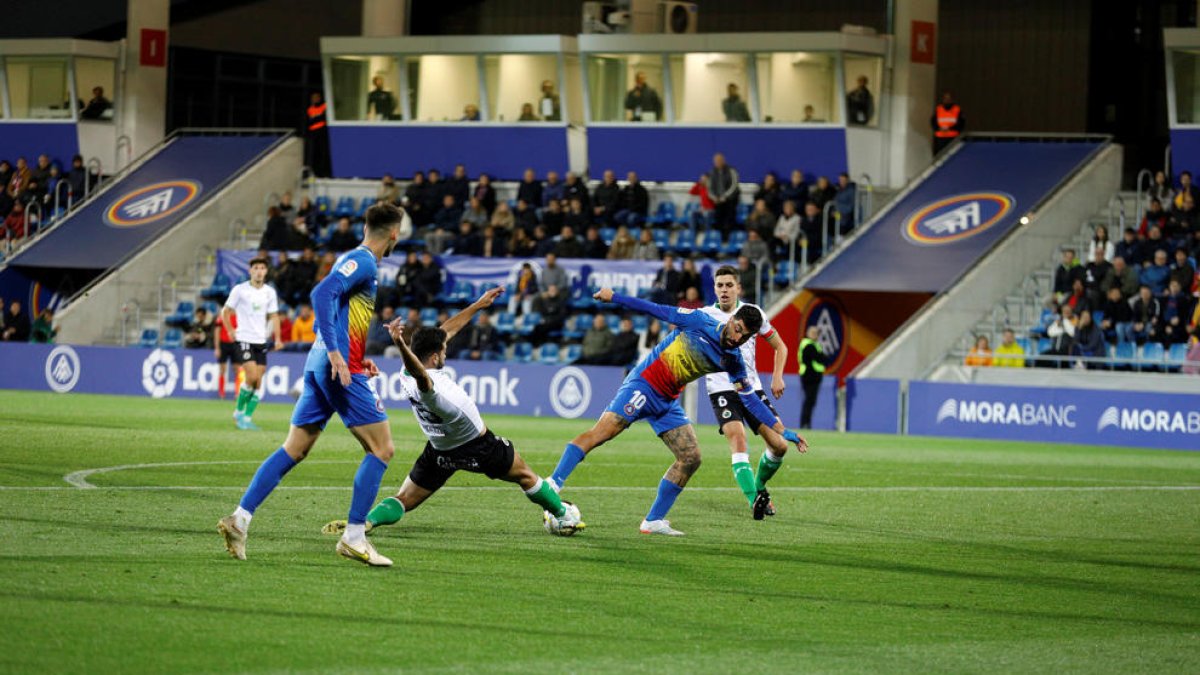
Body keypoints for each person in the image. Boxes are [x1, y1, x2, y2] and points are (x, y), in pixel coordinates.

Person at [217, 203, 407, 567]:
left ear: (365, 227)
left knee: (295, 448)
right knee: (382, 449)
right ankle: (354, 536)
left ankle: (240, 519)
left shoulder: (349, 259)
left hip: (321, 363)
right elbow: (321, 294)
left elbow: (330, 315)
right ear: (394, 234)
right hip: (335, 366)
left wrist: (349, 354)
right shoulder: (365, 262)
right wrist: (338, 355)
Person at [322, 287, 583, 541]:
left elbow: (444, 333)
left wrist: (478, 305)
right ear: (435, 358)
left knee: (404, 499)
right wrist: (399, 343)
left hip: (439, 450)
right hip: (479, 446)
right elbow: (423, 377)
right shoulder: (432, 388)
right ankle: (563, 515)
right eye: (443, 351)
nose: (446, 351)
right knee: (525, 475)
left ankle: (366, 521)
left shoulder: (404, 372)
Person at [548, 288, 808, 534]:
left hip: (667, 401)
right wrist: (614, 297)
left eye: (745, 337)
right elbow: (656, 309)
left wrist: (782, 430)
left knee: (691, 457)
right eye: (738, 329)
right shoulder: (698, 321)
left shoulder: (734, 360)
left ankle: (653, 521)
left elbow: (750, 401)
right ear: (731, 320)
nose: (737, 338)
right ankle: (553, 484)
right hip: (644, 384)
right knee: (602, 433)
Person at [700, 266, 789, 516]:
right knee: (738, 439)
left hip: (751, 389)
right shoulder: (704, 315)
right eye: (720, 285)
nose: (724, 290)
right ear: (714, 288)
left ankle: (758, 486)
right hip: (721, 389)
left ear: (738, 288)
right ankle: (754, 500)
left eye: (729, 285)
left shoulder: (753, 314)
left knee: (780, 446)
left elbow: (780, 347)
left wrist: (777, 376)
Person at [221, 258, 283, 431]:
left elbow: (274, 316)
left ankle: (247, 418)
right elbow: (225, 311)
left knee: (258, 382)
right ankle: (238, 412)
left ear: (266, 271)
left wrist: (278, 338)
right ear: (250, 271)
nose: (259, 271)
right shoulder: (240, 290)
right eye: (256, 268)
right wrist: (230, 330)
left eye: (262, 268)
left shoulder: (269, 292)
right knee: (252, 376)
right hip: (244, 339)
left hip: (260, 340)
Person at [797, 325, 828, 429]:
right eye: (813, 333)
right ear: (808, 333)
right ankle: (805, 424)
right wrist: (822, 357)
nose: (815, 335)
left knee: (811, 401)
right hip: (809, 376)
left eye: (817, 333)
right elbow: (820, 358)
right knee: (809, 401)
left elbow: (822, 358)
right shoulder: (808, 345)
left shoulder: (814, 344)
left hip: (814, 377)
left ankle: (806, 423)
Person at [707, 153, 740, 238]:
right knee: (718, 218)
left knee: (729, 218)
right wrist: (714, 197)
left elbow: (734, 186)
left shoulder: (731, 171)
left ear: (723, 161)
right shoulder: (712, 172)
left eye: (719, 161)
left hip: (731, 199)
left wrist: (724, 196)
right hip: (718, 199)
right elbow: (709, 187)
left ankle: (729, 237)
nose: (717, 163)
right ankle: (719, 237)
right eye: (716, 161)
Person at [305, 92, 331, 177]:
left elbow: (324, 118)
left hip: (322, 132)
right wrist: (317, 118)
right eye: (313, 98)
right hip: (313, 133)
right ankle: (313, 172)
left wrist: (316, 118)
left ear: (320, 98)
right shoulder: (310, 109)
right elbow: (309, 121)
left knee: (323, 152)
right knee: (313, 153)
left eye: (316, 97)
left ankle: (323, 172)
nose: (315, 99)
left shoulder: (324, 106)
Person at [931, 91, 964, 156]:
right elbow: (933, 122)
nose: (947, 100)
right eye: (945, 99)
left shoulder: (957, 109)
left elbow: (961, 124)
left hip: (952, 138)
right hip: (940, 138)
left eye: (949, 99)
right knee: (939, 156)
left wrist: (950, 128)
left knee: (951, 155)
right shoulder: (938, 109)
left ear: (952, 100)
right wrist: (938, 128)